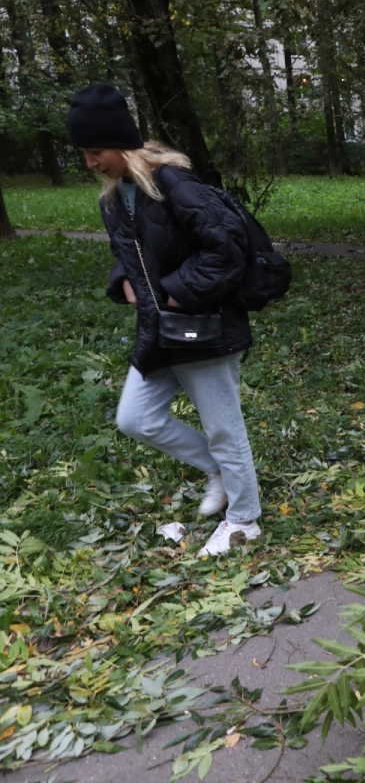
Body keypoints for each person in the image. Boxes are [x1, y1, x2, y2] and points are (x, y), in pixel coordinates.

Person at [67, 83, 262, 557]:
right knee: (135, 418)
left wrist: (172, 291)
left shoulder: (174, 184)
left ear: (122, 144)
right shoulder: (114, 199)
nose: (90, 163)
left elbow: (227, 252)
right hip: (160, 329)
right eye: (85, 154)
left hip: (204, 325)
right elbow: (132, 253)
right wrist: (124, 281)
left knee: (223, 426)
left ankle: (244, 520)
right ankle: (216, 470)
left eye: (96, 152)